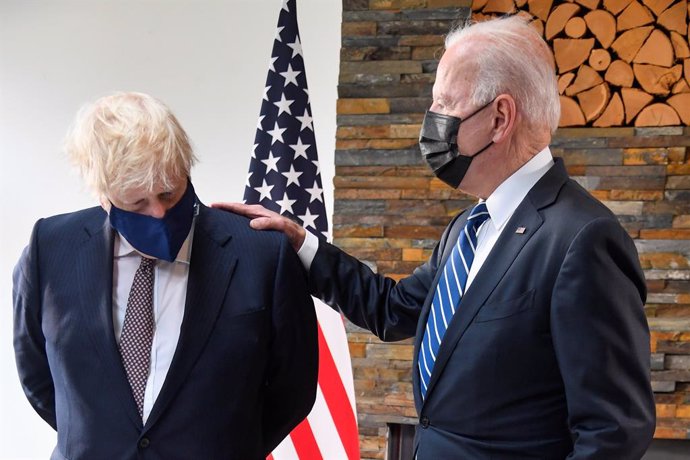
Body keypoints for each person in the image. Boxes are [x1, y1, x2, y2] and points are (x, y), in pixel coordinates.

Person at [216, 15, 655, 459]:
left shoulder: (583, 239)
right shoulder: (469, 227)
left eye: (445, 104)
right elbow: (394, 309)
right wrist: (300, 244)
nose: (431, 121)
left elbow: (613, 432)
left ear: (500, 118)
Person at [13, 92, 318, 460]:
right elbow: (37, 375)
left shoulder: (261, 252)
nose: (158, 213)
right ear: (103, 194)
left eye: (169, 193)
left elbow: (294, 389)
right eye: (136, 203)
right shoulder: (49, 248)